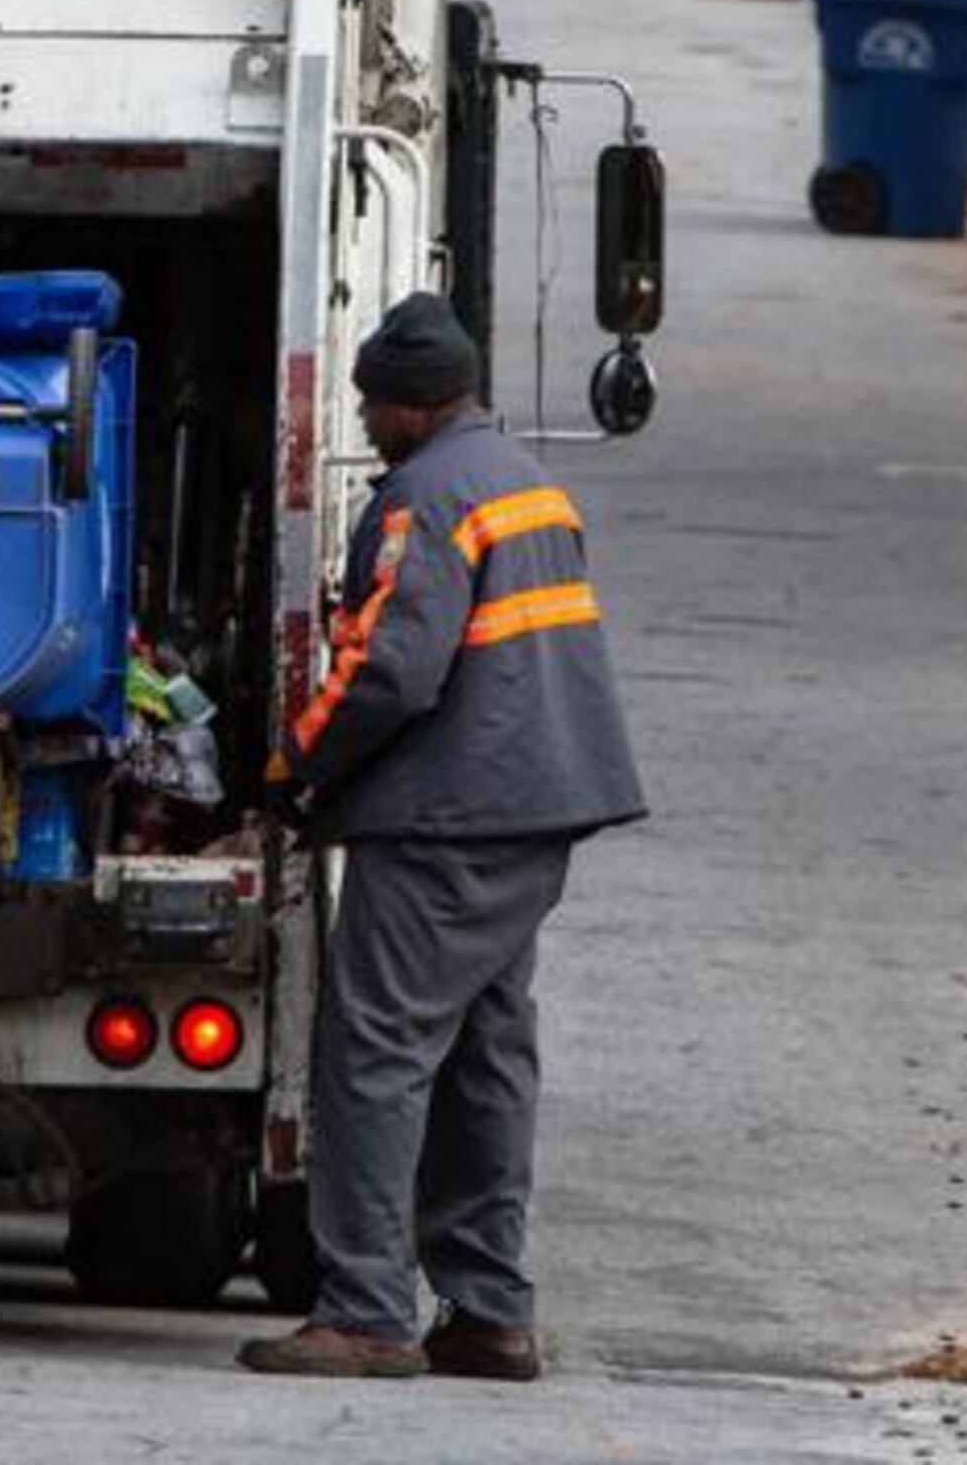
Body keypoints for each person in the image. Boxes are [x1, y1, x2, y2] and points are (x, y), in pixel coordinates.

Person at [239, 293, 647, 1382]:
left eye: (373, 406)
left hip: (445, 820)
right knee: (483, 1055)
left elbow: (392, 670)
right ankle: (488, 1311)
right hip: (532, 814)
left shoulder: (425, 499)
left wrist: (295, 762)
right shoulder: (525, 482)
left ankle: (367, 1312)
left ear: (413, 407)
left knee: (375, 1053)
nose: (366, 424)